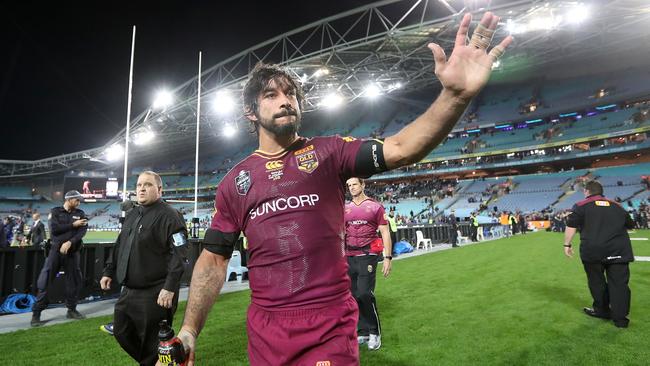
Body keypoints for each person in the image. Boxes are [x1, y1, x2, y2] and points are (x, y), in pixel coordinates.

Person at [174, 12, 511, 366]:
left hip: (328, 324)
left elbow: (400, 148)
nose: (285, 100)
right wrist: (189, 330)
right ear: (250, 112)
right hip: (266, 331)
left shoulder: (330, 152)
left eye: (291, 93)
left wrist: (454, 96)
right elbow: (213, 260)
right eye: (271, 95)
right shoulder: (235, 182)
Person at [100, 171, 189, 365]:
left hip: (155, 292)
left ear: (159, 189)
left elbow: (180, 255)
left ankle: (160, 360)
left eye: (147, 185)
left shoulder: (170, 216)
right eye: (139, 185)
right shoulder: (133, 214)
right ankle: (164, 361)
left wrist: (170, 287)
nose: (141, 188)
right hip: (129, 291)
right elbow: (119, 244)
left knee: (152, 344)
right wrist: (108, 270)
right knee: (121, 331)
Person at [564, 181, 635, 328]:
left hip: (593, 251)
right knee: (620, 284)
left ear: (587, 191)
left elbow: (571, 226)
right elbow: (630, 224)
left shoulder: (580, 205)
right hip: (618, 250)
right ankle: (621, 320)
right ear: (601, 192)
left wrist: (567, 244)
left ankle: (602, 310)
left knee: (597, 282)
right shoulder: (617, 205)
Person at [344, 177, 392, 350]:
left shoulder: (376, 207)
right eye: (349, 185)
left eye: (355, 184)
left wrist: (388, 258)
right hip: (349, 256)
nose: (351, 187)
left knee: (365, 293)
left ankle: (375, 332)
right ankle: (362, 332)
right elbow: (342, 233)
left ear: (363, 185)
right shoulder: (345, 208)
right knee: (354, 296)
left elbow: (385, 232)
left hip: (368, 255)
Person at [31, 190, 88, 327]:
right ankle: (36, 313)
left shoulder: (80, 213)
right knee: (45, 280)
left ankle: (71, 310)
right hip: (55, 251)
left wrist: (70, 242)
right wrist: (72, 225)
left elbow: (82, 231)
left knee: (73, 281)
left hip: (73, 252)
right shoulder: (55, 212)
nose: (79, 202)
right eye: (77, 200)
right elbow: (54, 229)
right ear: (69, 200)